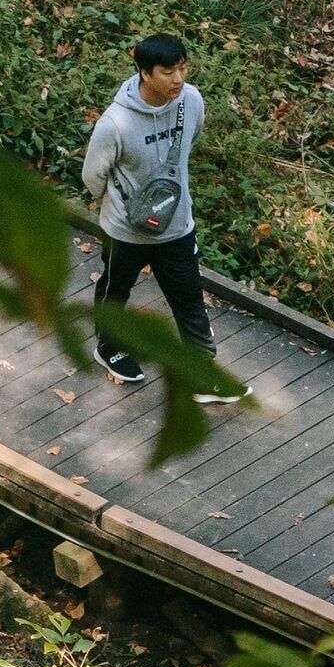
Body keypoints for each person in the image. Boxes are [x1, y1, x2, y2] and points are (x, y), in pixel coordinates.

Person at [78, 34, 235, 399]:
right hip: (125, 230)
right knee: (116, 288)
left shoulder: (191, 101)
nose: (178, 78)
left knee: (189, 298)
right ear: (145, 73)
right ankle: (108, 346)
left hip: (177, 224)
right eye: (168, 72)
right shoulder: (115, 123)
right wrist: (118, 204)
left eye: (183, 68)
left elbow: (189, 143)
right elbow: (92, 175)